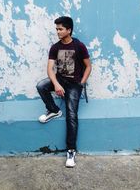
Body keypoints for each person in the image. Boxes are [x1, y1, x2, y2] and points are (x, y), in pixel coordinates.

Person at [36, 16, 91, 168]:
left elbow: (88, 66)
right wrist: (56, 84)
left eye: (60, 29)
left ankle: (71, 150)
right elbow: (49, 69)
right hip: (60, 81)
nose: (58, 32)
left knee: (72, 114)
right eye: (57, 29)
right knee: (41, 86)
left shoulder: (79, 46)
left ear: (69, 30)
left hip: (74, 84)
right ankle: (53, 110)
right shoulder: (55, 47)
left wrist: (82, 83)